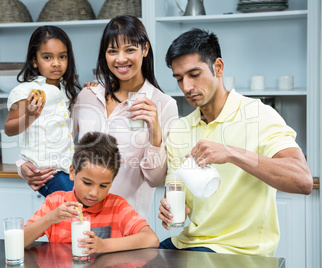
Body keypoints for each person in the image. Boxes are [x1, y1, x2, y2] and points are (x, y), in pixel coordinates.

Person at [158, 28, 313, 256]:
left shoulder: (259, 115)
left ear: (218, 67)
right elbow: (175, 194)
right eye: (179, 78)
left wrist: (231, 153)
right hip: (189, 244)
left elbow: (303, 181)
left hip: (239, 251)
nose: (186, 87)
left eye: (194, 74)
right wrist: (170, 210)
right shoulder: (180, 130)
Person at [20, 15, 179, 220]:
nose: (121, 59)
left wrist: (154, 131)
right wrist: (23, 166)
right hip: (77, 220)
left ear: (145, 49)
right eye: (112, 51)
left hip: (124, 225)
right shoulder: (88, 96)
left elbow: (154, 180)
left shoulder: (164, 105)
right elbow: (54, 140)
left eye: (129, 49)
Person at [24, 131, 160, 254]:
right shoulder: (55, 203)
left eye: (103, 185)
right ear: (72, 172)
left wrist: (103, 245)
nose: (94, 193)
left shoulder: (117, 207)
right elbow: (20, 241)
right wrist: (51, 218)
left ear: (111, 182)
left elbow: (151, 239)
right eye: (87, 183)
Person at [4, 26, 81, 197]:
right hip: (46, 171)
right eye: (47, 57)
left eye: (62, 56)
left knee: (74, 215)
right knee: (75, 210)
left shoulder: (66, 90)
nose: (56, 63)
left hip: (67, 167)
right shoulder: (27, 91)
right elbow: (9, 128)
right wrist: (29, 117)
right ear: (34, 60)